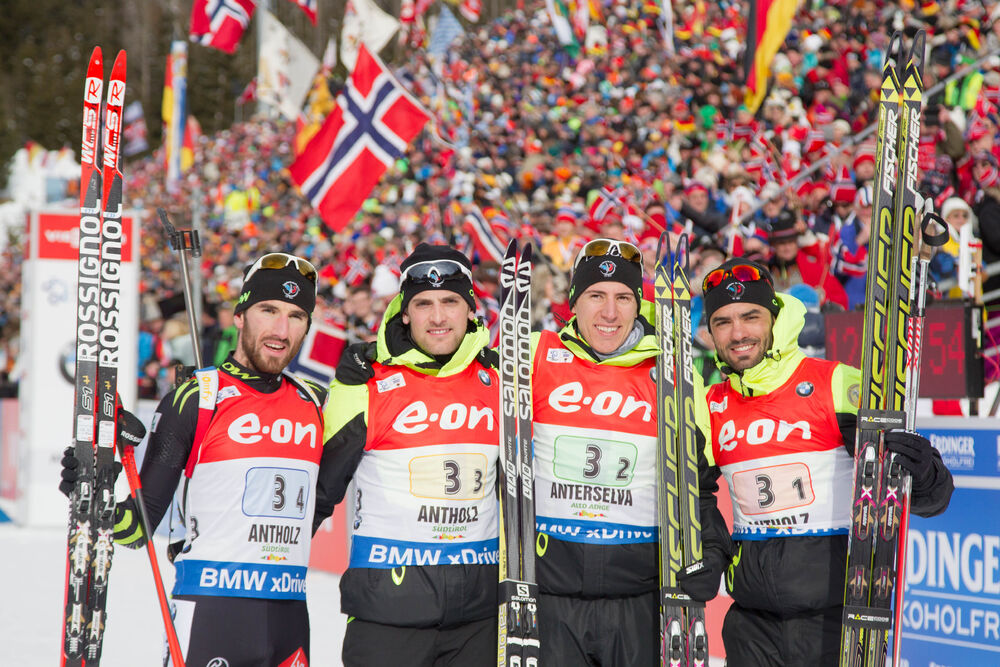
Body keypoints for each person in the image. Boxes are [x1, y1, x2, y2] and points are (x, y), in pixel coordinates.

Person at [682, 258, 954, 665]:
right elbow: (699, 496)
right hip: (750, 626)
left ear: (774, 319)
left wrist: (925, 473)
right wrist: (709, 553)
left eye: (750, 317)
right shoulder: (711, 404)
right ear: (711, 332)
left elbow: (927, 499)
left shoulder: (835, 382)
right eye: (723, 322)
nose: (738, 333)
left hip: (835, 621)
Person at [61, 251, 327, 666]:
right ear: (240, 315)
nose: (281, 329)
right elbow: (137, 529)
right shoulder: (197, 399)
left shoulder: (316, 402)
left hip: (291, 617)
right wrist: (96, 487)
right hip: (211, 615)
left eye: (296, 316)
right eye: (268, 310)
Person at [530, 238, 725, 665]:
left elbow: (699, 484)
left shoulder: (672, 376)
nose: (609, 313)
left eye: (623, 297)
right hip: (548, 596)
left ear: (639, 305)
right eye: (596, 296)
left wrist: (712, 550)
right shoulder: (535, 357)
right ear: (573, 302)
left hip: (639, 600)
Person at [316, 244, 500, 666]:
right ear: (404, 312)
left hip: (478, 619)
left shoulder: (499, 380)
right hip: (387, 615)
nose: (438, 317)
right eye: (424, 304)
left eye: (451, 302)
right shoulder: (366, 382)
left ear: (471, 309)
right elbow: (318, 492)